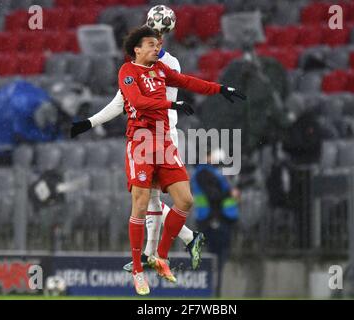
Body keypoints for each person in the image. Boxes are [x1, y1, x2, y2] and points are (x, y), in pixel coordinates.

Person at [76, 26, 245, 295]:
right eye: (151, 44)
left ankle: (160, 257)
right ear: (137, 49)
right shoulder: (128, 72)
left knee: (185, 200)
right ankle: (138, 269)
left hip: (164, 141)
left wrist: (220, 88)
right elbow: (138, 102)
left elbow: (187, 81)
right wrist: (171, 105)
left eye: (158, 44)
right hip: (141, 142)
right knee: (141, 204)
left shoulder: (160, 70)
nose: (157, 48)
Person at [70, 5, 206, 273]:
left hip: (163, 136)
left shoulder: (169, 64)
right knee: (146, 199)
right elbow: (120, 102)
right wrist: (89, 122)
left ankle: (152, 254)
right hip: (146, 137)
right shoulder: (136, 67)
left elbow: (152, 103)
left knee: (148, 200)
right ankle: (175, 244)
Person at [191, 148, 239, 296]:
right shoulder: (205, 173)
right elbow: (214, 196)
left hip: (216, 219)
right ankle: (213, 293)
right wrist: (230, 193)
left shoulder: (209, 172)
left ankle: (214, 292)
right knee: (215, 259)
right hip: (213, 221)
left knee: (217, 259)